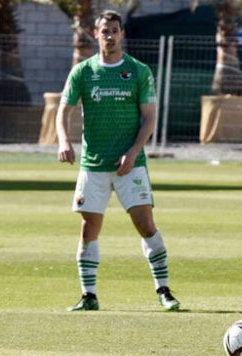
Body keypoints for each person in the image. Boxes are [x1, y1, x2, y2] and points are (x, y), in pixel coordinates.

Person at [56, 10, 180, 311]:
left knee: (145, 224)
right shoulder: (83, 72)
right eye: (104, 31)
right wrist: (63, 140)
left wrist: (134, 151)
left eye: (114, 30)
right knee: (89, 228)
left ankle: (163, 290)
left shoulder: (138, 71)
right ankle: (89, 295)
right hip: (94, 165)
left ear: (122, 34)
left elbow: (149, 118)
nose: (109, 36)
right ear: (96, 34)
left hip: (130, 165)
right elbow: (63, 109)